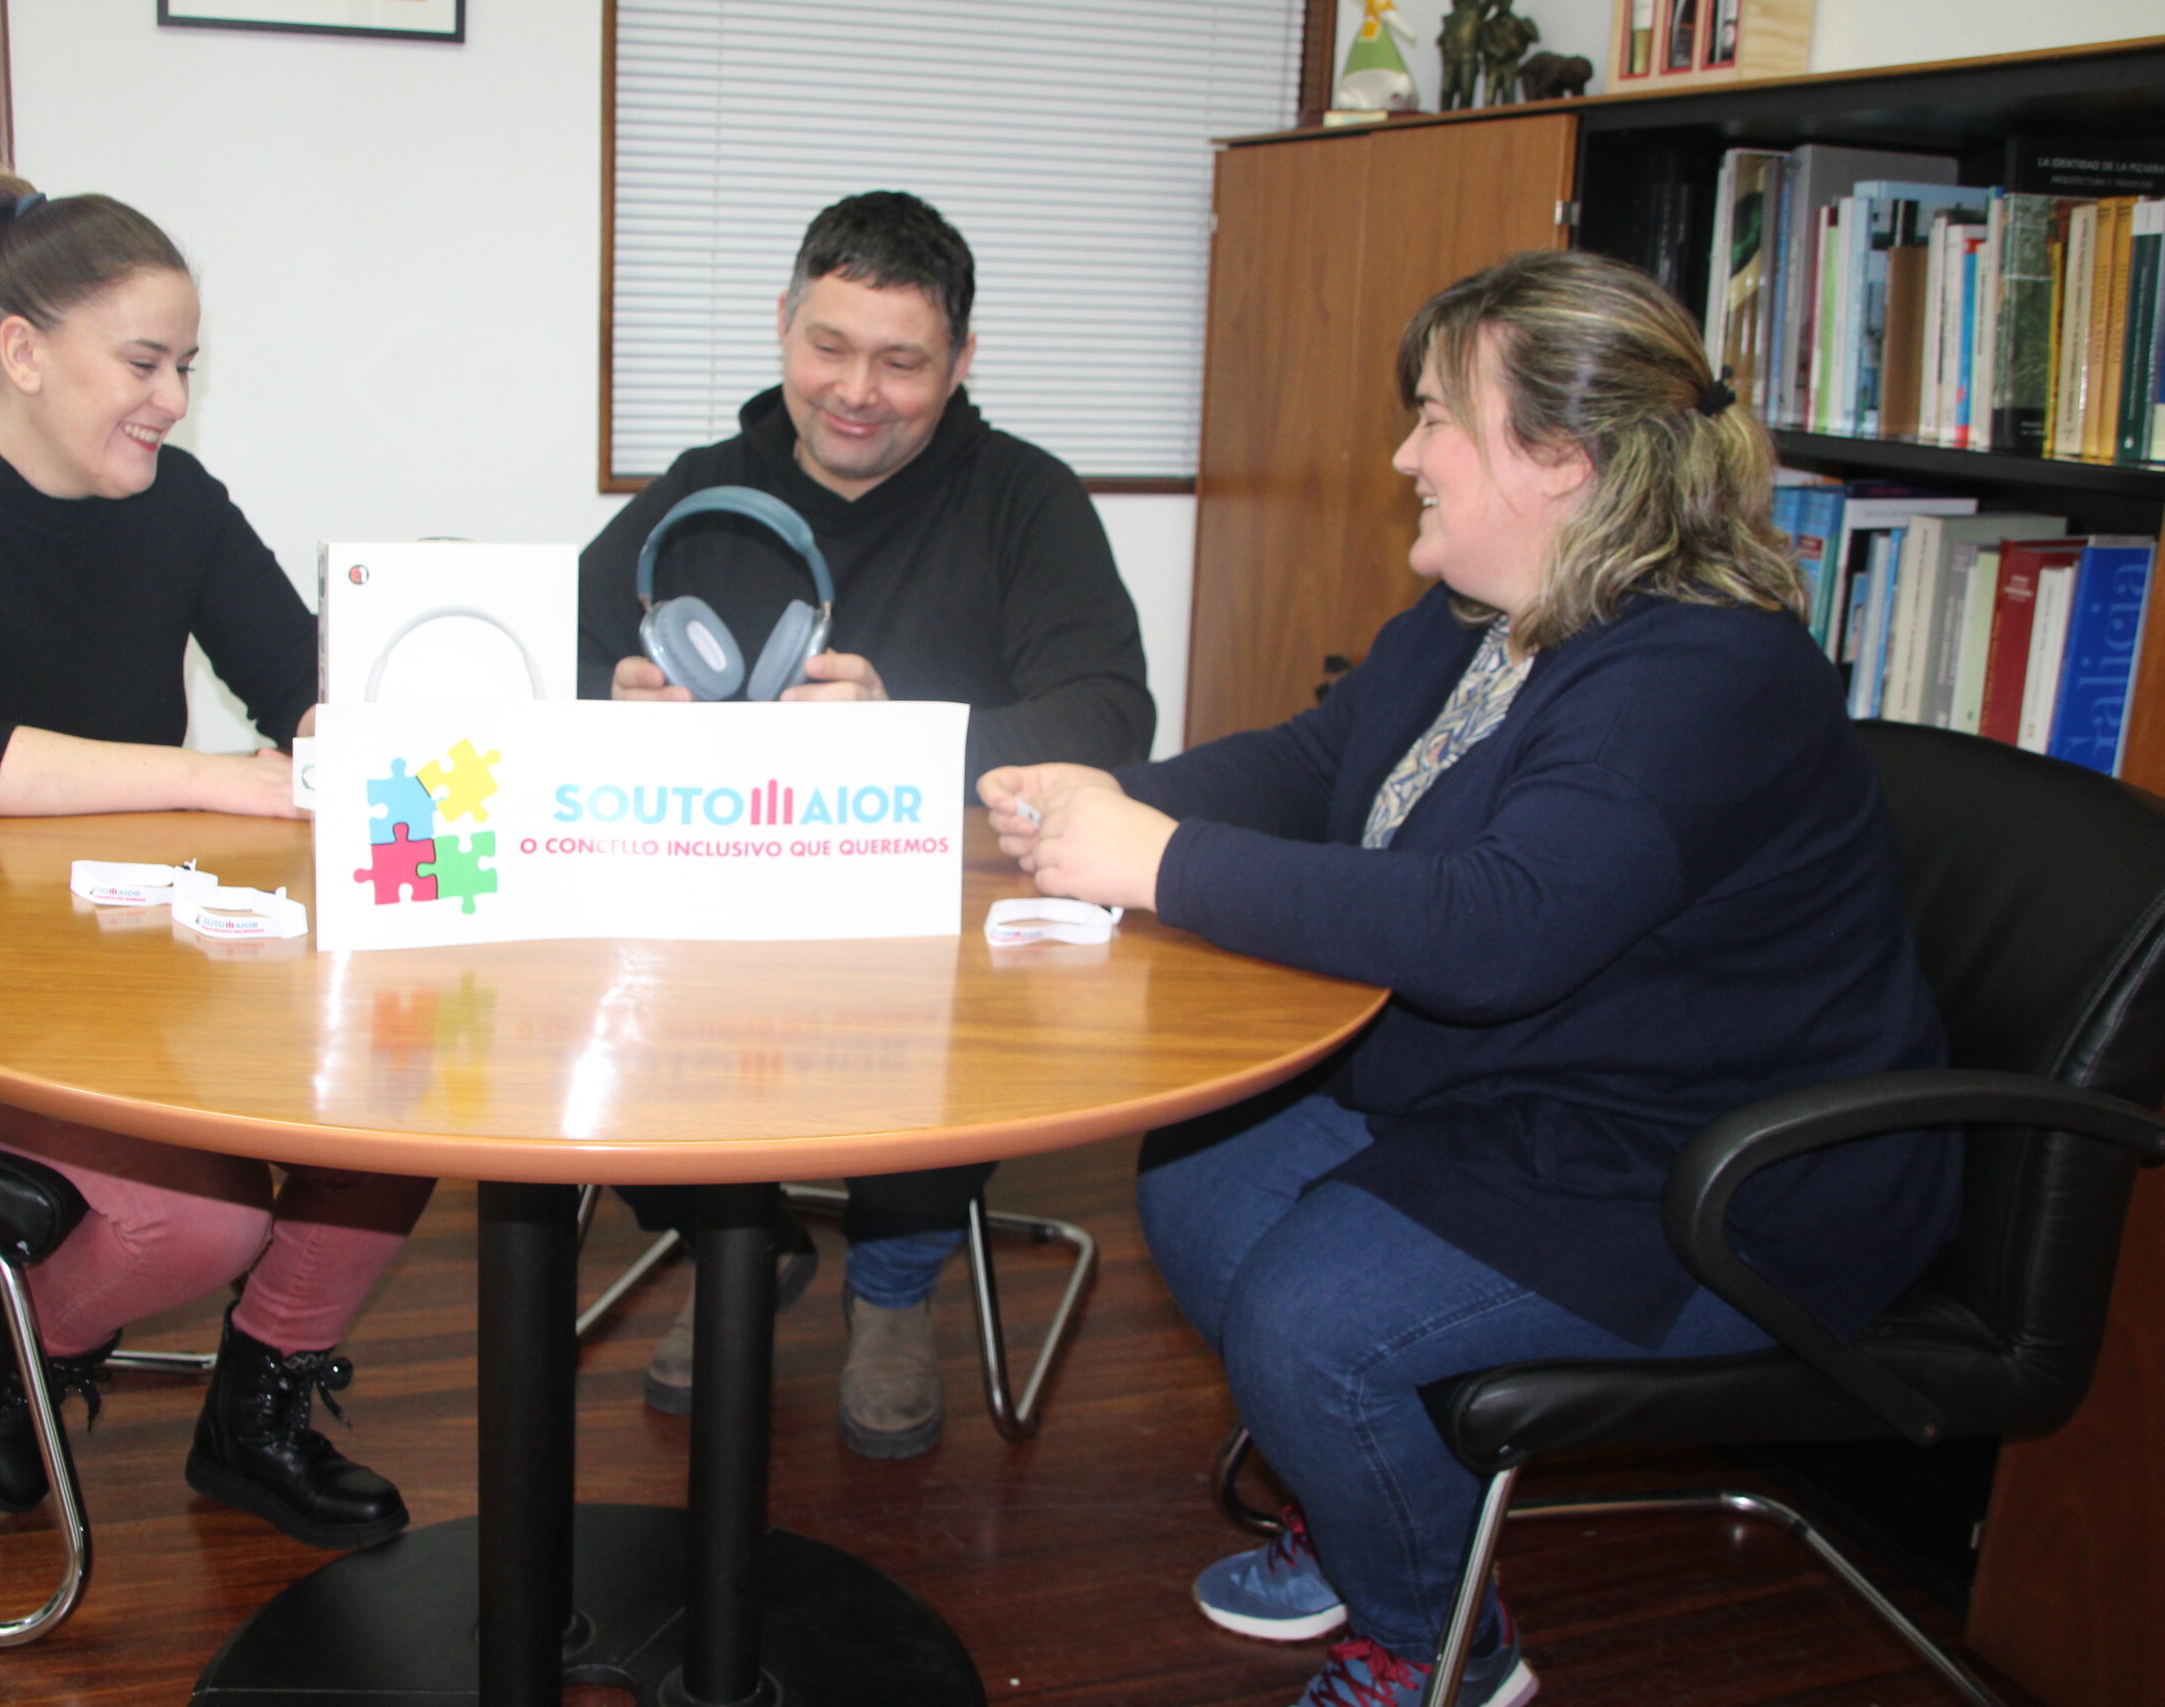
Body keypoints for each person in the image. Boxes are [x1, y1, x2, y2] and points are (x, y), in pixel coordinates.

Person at [978, 249, 1959, 1707]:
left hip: (1714, 1170)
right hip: (1539, 1093)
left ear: (1560, 456)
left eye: (1438, 418)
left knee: (1317, 1320)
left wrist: (1156, 860)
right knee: (1199, 1174)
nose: (1404, 455)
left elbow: (1497, 929)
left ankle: (1438, 1643)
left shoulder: (1707, 673)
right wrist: (1102, 797)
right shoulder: (1478, 621)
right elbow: (1321, 767)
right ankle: (1374, 1500)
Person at [0, 170, 433, 1550]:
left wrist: (380, 738)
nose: (170, 396)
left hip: (125, 956)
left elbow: (300, 685)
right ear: (23, 351)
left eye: (185, 367)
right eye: (143, 361)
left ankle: (256, 1409)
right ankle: (21, 1320)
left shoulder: (178, 502)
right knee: (196, 1223)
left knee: (407, 1087)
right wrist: (214, 781)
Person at [579, 190, 1155, 1458]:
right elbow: (544, 674)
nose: (856, 391)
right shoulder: (702, 494)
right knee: (582, 990)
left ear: (958, 363)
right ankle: (740, 1244)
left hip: (928, 920)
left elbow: (1112, 712)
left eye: (901, 362)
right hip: (710, 905)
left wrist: (910, 738)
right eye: (827, 347)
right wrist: (605, 704)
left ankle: (893, 1286)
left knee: (932, 999)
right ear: (783, 324)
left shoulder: (1024, 500)